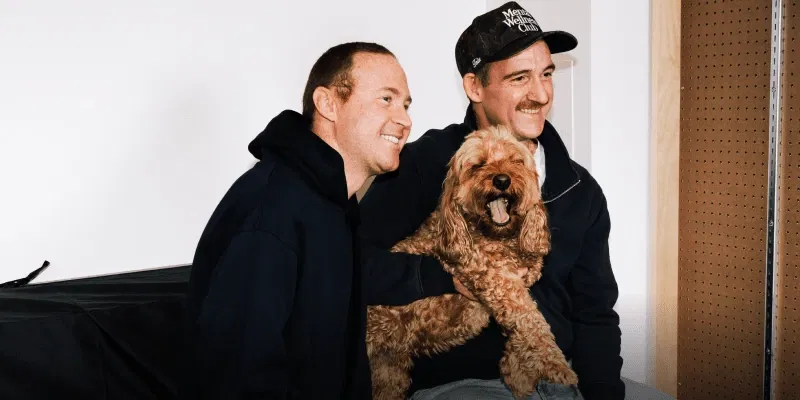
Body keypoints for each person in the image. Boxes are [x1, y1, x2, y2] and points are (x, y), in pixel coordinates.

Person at [358, 2, 626, 400]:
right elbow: (352, 262)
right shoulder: (425, 163)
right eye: (520, 78)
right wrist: (446, 276)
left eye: (547, 74)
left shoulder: (579, 189)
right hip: (461, 382)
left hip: (561, 378)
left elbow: (595, 314)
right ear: (474, 87)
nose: (540, 94)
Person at [177, 42, 458, 399]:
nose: (405, 120)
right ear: (328, 105)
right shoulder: (273, 210)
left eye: (405, 104)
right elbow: (236, 377)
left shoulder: (333, 206)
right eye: (386, 99)